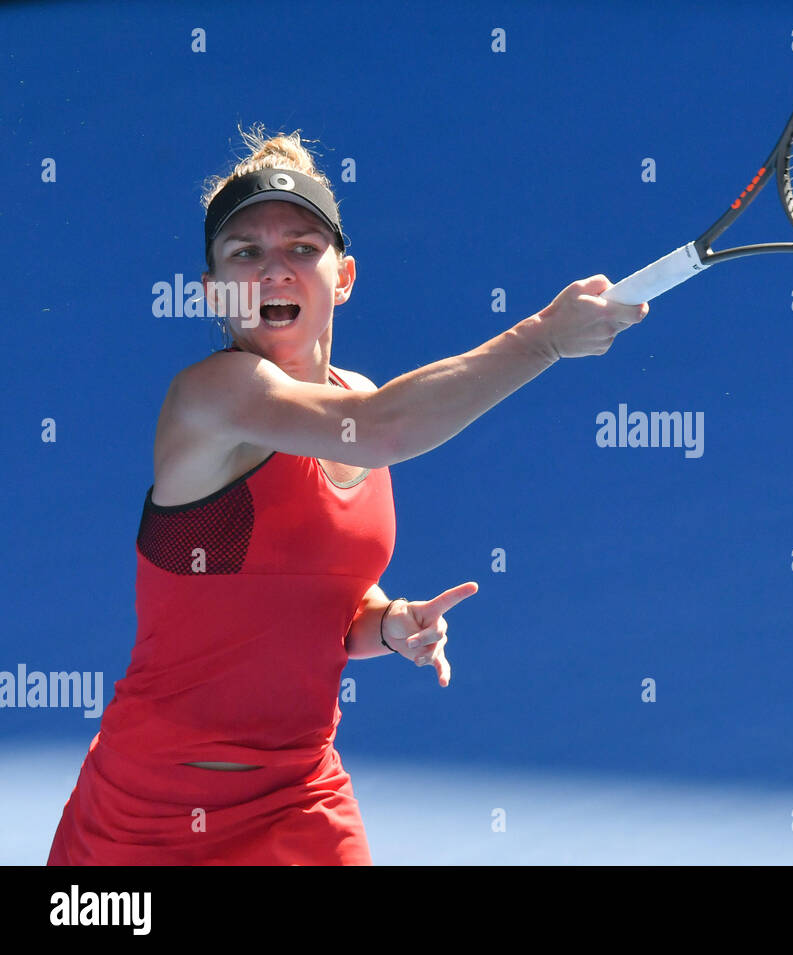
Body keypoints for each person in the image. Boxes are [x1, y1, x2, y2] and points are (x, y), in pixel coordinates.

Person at [46, 126, 648, 865]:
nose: (276, 270)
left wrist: (385, 622)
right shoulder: (211, 398)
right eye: (246, 253)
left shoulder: (353, 400)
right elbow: (386, 428)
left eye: (302, 247)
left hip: (303, 796)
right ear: (211, 292)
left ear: (345, 276)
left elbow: (316, 600)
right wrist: (542, 339)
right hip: (145, 819)